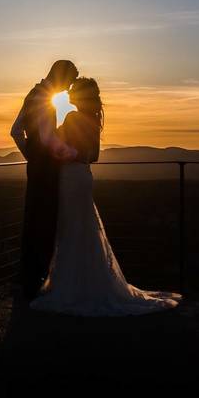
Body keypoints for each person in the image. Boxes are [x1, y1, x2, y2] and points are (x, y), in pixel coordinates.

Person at [29, 77, 182, 316]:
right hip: (84, 175)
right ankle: (88, 283)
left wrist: (54, 146)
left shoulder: (73, 118)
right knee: (82, 230)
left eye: (73, 91)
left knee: (70, 231)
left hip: (70, 177)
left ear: (80, 95)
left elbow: (61, 149)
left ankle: (72, 287)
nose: (68, 94)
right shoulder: (92, 119)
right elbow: (94, 155)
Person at [11, 59, 79, 300]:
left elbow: (16, 130)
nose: (69, 88)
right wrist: (70, 153)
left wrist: (29, 155)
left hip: (37, 167)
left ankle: (30, 279)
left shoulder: (34, 94)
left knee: (34, 217)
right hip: (45, 170)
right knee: (44, 219)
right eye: (69, 81)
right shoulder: (42, 98)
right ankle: (37, 280)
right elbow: (46, 137)